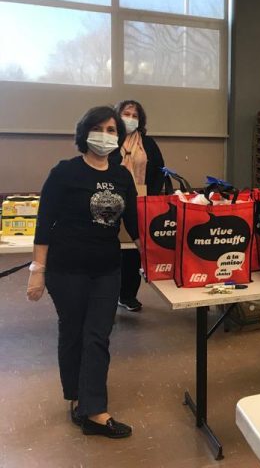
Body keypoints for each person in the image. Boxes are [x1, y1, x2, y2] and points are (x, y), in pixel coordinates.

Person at [27, 106, 138, 438]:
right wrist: (37, 270)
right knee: (74, 332)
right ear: (84, 132)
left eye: (112, 130)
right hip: (66, 269)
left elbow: (134, 224)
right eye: (98, 128)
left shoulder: (122, 177)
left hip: (107, 268)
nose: (105, 135)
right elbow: (44, 223)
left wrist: (158, 257)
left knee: (97, 335)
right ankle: (77, 398)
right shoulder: (65, 172)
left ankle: (93, 410)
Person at [110, 100, 165, 312]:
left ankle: (127, 295)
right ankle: (107, 295)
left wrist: (151, 196)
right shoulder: (109, 139)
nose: (130, 119)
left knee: (134, 249)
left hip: (141, 199)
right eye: (126, 114)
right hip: (112, 199)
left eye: (135, 115)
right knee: (111, 248)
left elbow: (159, 170)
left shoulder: (148, 143)